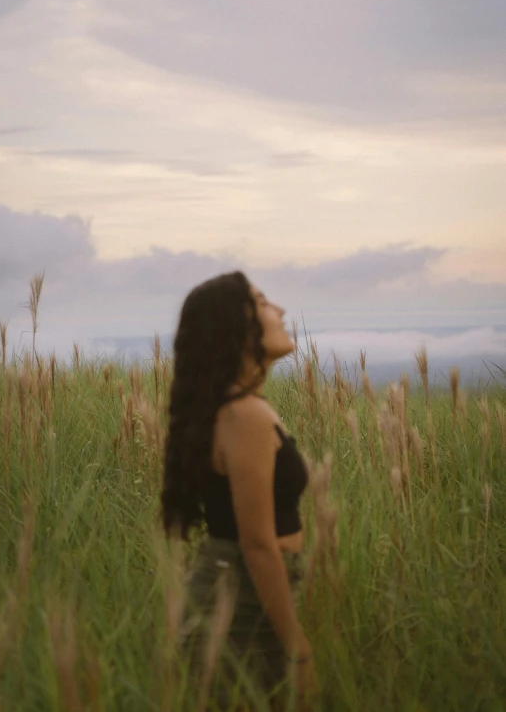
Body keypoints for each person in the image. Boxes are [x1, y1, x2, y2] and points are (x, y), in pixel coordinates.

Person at [161, 271, 319, 709]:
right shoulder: (244, 415)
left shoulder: (240, 409)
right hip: (241, 602)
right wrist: (298, 648)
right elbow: (257, 544)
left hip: (244, 593)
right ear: (235, 327)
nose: (281, 311)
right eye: (265, 302)